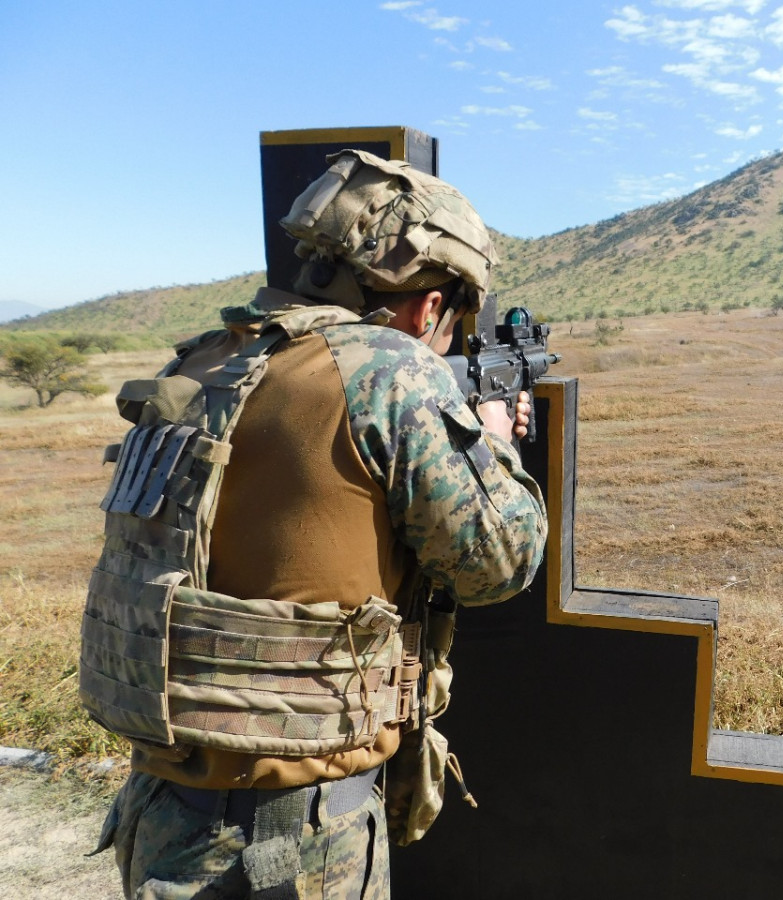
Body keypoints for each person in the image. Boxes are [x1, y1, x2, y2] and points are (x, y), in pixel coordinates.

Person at [79, 150, 548, 899]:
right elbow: (499, 562)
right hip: (292, 846)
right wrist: (494, 438)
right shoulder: (390, 368)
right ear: (430, 307)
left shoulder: (205, 364)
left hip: (160, 809)